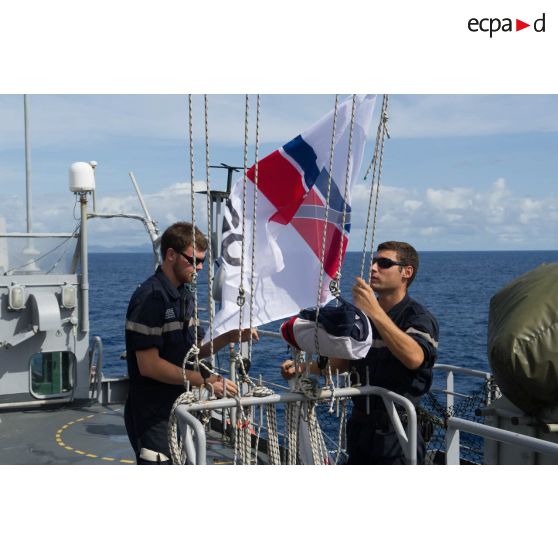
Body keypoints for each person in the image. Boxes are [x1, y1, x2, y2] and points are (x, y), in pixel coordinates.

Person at [281, 241, 439, 464]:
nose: (374, 268)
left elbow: (415, 357)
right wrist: (304, 368)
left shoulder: (417, 318)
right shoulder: (364, 317)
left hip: (398, 435)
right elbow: (343, 362)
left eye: (384, 263)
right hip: (361, 431)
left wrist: (374, 312)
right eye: (374, 262)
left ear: (406, 272)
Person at [124, 221, 257, 464]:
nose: (198, 268)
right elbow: (149, 366)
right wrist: (207, 381)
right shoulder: (150, 299)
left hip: (178, 409)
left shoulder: (184, 297)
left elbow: (195, 352)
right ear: (171, 255)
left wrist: (230, 336)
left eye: (202, 262)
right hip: (153, 416)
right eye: (192, 260)